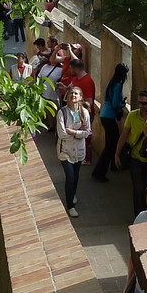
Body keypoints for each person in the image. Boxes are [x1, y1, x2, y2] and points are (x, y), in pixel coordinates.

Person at [116, 88, 147, 216]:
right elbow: (124, 135)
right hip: (135, 158)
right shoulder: (132, 115)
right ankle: (138, 217)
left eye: (144, 103)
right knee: (137, 190)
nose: (141, 106)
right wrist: (117, 153)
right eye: (139, 103)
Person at [56, 85, 91, 218]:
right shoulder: (62, 113)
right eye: (71, 93)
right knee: (70, 177)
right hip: (65, 150)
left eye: (76, 94)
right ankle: (70, 205)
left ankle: (72, 194)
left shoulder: (84, 113)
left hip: (79, 151)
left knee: (75, 176)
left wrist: (73, 132)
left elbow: (87, 133)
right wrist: (78, 133)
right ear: (67, 97)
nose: (73, 95)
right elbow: (62, 134)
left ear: (81, 97)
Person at [91, 63, 129, 182]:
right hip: (109, 117)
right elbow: (115, 104)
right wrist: (123, 104)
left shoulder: (111, 83)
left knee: (112, 143)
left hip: (104, 115)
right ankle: (98, 172)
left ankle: (114, 166)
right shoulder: (117, 85)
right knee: (111, 146)